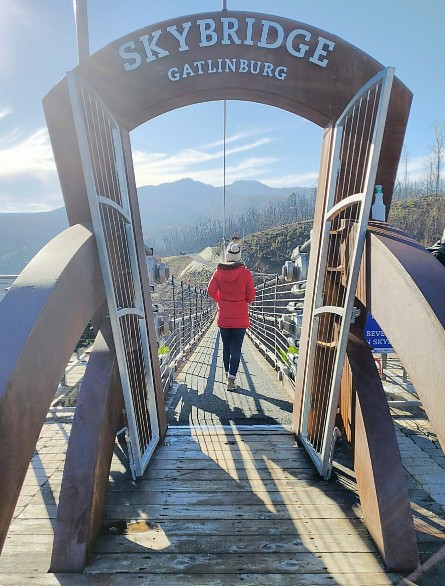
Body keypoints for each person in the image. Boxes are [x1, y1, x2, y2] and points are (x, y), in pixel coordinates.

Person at [208, 242, 256, 391]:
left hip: (224, 316)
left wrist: (220, 299)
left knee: (226, 347)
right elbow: (250, 297)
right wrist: (242, 300)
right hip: (240, 316)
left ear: (227, 256)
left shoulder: (218, 272)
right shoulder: (246, 273)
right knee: (236, 348)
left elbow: (210, 290)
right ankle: (231, 380)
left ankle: (227, 373)